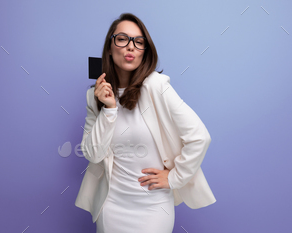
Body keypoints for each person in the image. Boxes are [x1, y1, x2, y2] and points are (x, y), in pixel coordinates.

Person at [75, 13, 216, 233]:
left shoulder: (156, 86)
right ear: (110, 48)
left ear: (144, 52)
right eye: (122, 39)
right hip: (111, 207)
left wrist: (175, 177)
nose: (130, 47)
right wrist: (109, 110)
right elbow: (93, 154)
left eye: (138, 42)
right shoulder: (94, 96)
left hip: (153, 208)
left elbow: (200, 137)